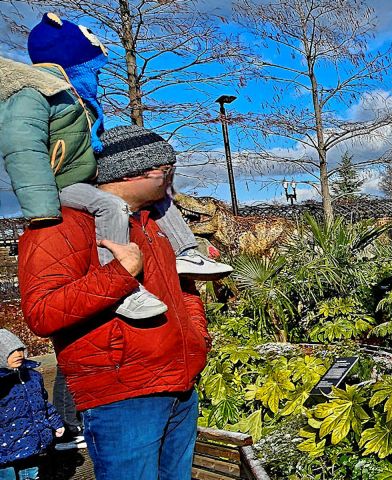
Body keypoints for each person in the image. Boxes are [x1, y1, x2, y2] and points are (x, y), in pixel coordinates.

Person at [0, 12, 231, 321]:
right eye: (90, 68)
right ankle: (125, 288)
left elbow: (88, 146)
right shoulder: (36, 96)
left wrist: (195, 329)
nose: (96, 76)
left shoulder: (77, 100)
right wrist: (42, 208)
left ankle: (186, 252)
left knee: (159, 199)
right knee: (111, 206)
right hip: (59, 187)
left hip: (173, 364)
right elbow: (23, 147)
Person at [18, 125, 211, 480]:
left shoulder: (154, 224)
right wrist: (121, 273)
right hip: (122, 397)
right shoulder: (59, 225)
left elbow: (182, 288)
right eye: (166, 170)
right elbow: (42, 312)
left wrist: (198, 336)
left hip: (181, 387)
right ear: (132, 172)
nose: (171, 179)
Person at [0, 329, 65, 480]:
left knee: (31, 475)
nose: (18, 354)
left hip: (30, 443)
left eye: (20, 349)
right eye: (10, 351)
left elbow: (42, 403)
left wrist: (55, 422)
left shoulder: (33, 377)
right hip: (4, 448)